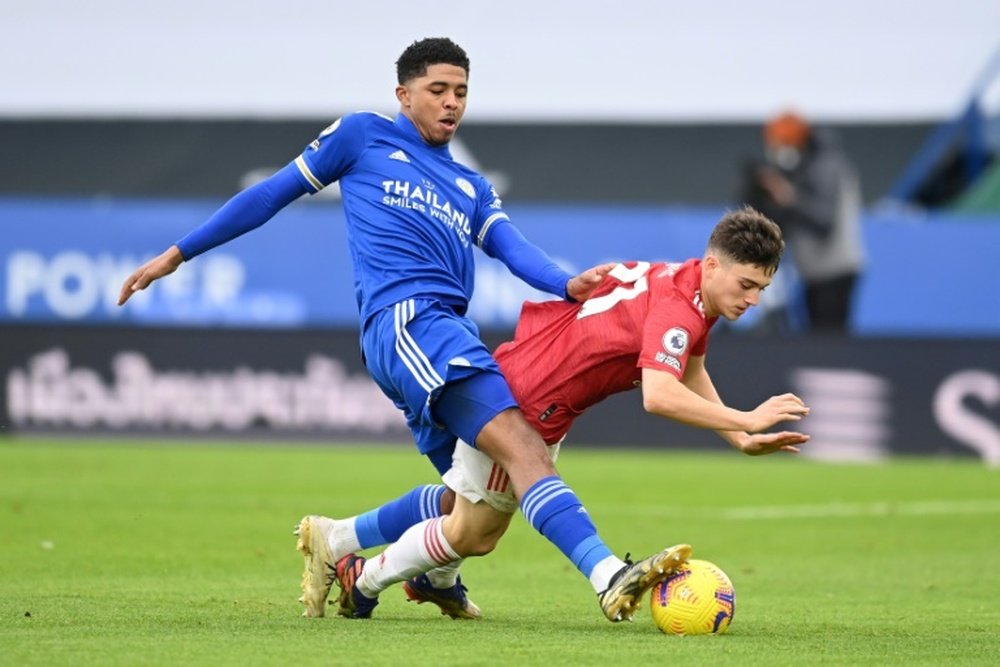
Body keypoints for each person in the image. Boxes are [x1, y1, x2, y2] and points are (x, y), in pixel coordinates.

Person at [117, 37, 691, 624]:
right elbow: (271, 193)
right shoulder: (363, 135)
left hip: (444, 332)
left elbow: (509, 246)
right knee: (525, 450)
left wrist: (564, 283)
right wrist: (179, 253)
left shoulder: (471, 185)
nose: (451, 104)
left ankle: (339, 544)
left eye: (461, 93)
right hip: (408, 323)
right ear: (404, 94)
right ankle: (608, 576)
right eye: (437, 90)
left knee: (476, 513)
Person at [300, 207, 810, 621]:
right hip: (526, 401)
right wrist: (745, 417)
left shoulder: (689, 287)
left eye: (762, 288)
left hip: (528, 379)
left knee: (459, 503)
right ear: (715, 264)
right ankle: (362, 580)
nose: (753, 299)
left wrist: (737, 438)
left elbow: (690, 368)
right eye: (746, 284)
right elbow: (658, 393)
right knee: (473, 533)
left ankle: (337, 538)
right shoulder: (680, 307)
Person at [741, 110, 866, 333]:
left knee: (830, 342)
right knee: (818, 339)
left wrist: (787, 196)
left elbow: (823, 221)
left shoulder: (825, 167)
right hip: (815, 271)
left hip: (834, 269)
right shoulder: (812, 165)